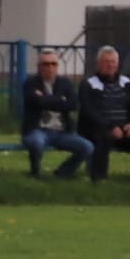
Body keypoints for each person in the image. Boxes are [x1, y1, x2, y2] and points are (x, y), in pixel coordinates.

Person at [60, 47, 130, 180]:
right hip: (97, 129)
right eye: (106, 62)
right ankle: (99, 178)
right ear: (98, 64)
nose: (110, 65)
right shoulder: (88, 84)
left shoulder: (126, 82)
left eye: (113, 62)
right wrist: (110, 127)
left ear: (117, 64)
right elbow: (88, 111)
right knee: (103, 139)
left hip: (124, 128)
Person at [19, 49, 85, 179]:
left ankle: (62, 174)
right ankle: (35, 174)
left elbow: (74, 105)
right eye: (46, 64)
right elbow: (37, 102)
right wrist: (61, 100)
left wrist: (45, 99)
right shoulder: (30, 83)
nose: (50, 68)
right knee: (36, 143)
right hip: (37, 130)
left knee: (87, 147)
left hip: (62, 131)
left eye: (54, 64)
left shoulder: (65, 83)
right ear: (39, 67)